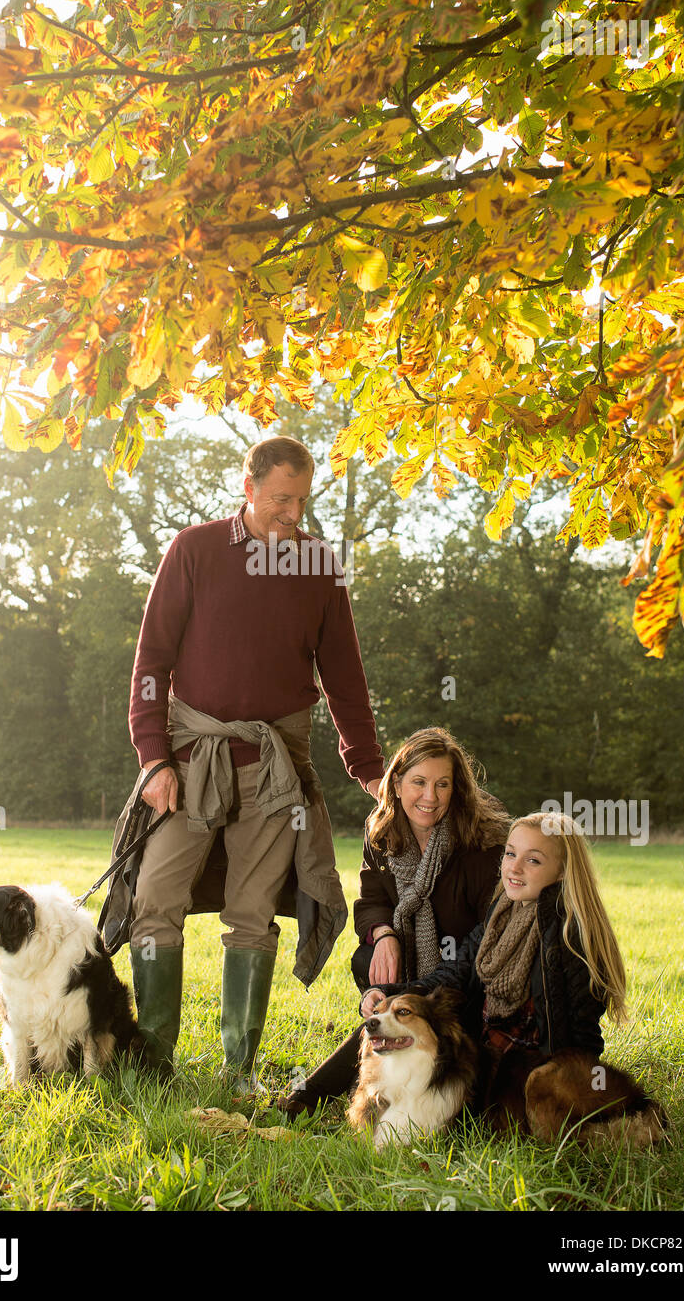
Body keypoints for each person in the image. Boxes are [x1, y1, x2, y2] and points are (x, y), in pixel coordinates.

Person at [126, 435, 385, 1091]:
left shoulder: (320, 567)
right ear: (248, 489)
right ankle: (154, 1058)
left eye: (302, 500)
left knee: (251, 913)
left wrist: (369, 766)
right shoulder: (194, 550)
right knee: (155, 898)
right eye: (280, 500)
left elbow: (345, 679)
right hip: (189, 763)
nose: (292, 513)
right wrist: (154, 759)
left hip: (274, 768)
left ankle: (237, 1069)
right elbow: (152, 663)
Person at [277, 727, 508, 1115]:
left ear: (457, 790)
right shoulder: (381, 831)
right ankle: (386, 1036)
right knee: (366, 958)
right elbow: (370, 901)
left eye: (443, 784)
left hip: (471, 969)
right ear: (397, 784)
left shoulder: (481, 841)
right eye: (419, 782)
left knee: (400, 1006)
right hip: (414, 963)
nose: (430, 797)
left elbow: (487, 933)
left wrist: (420, 987)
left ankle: (307, 1096)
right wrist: (384, 934)